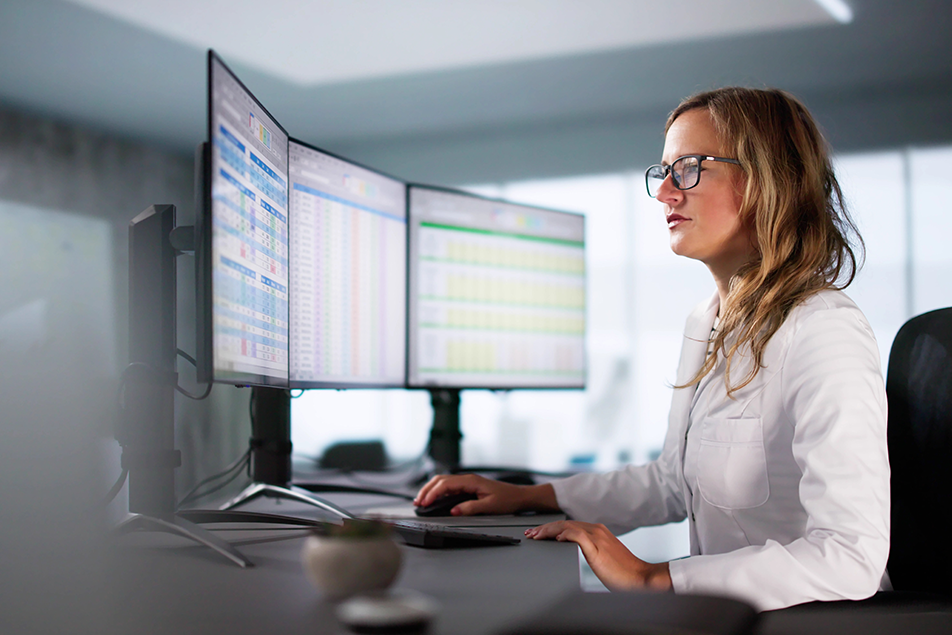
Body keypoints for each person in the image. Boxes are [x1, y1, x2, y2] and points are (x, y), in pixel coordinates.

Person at [413, 87, 890, 612]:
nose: (664, 192)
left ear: (766, 178)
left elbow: (850, 555)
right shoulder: (709, 321)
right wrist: (529, 496)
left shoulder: (824, 331)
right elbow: (671, 482)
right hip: (719, 617)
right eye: (662, 172)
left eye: (687, 168)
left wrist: (654, 579)